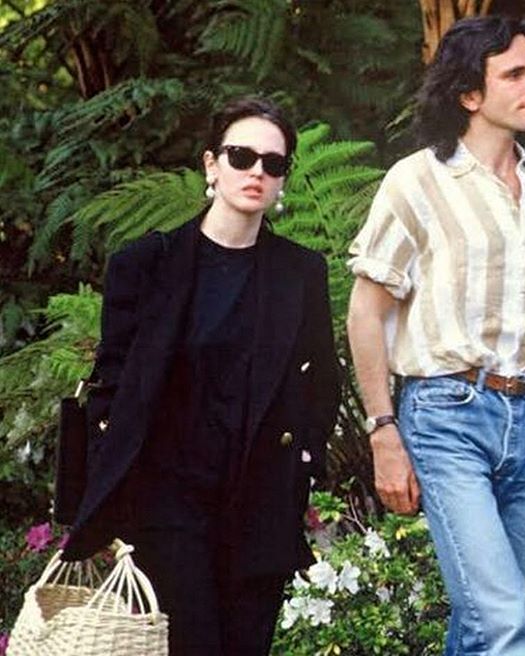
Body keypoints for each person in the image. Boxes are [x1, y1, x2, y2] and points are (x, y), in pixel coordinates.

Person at [346, 15, 525, 656]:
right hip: (445, 417)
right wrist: (382, 430)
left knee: (482, 622)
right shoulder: (416, 182)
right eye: (516, 74)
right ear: (469, 95)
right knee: (504, 619)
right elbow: (365, 313)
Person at [63, 97, 341, 655]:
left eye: (274, 162)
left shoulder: (300, 272)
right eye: (242, 156)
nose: (257, 171)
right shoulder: (145, 264)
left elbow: (322, 374)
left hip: (259, 504)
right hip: (168, 503)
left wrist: (306, 455)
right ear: (211, 166)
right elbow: (111, 382)